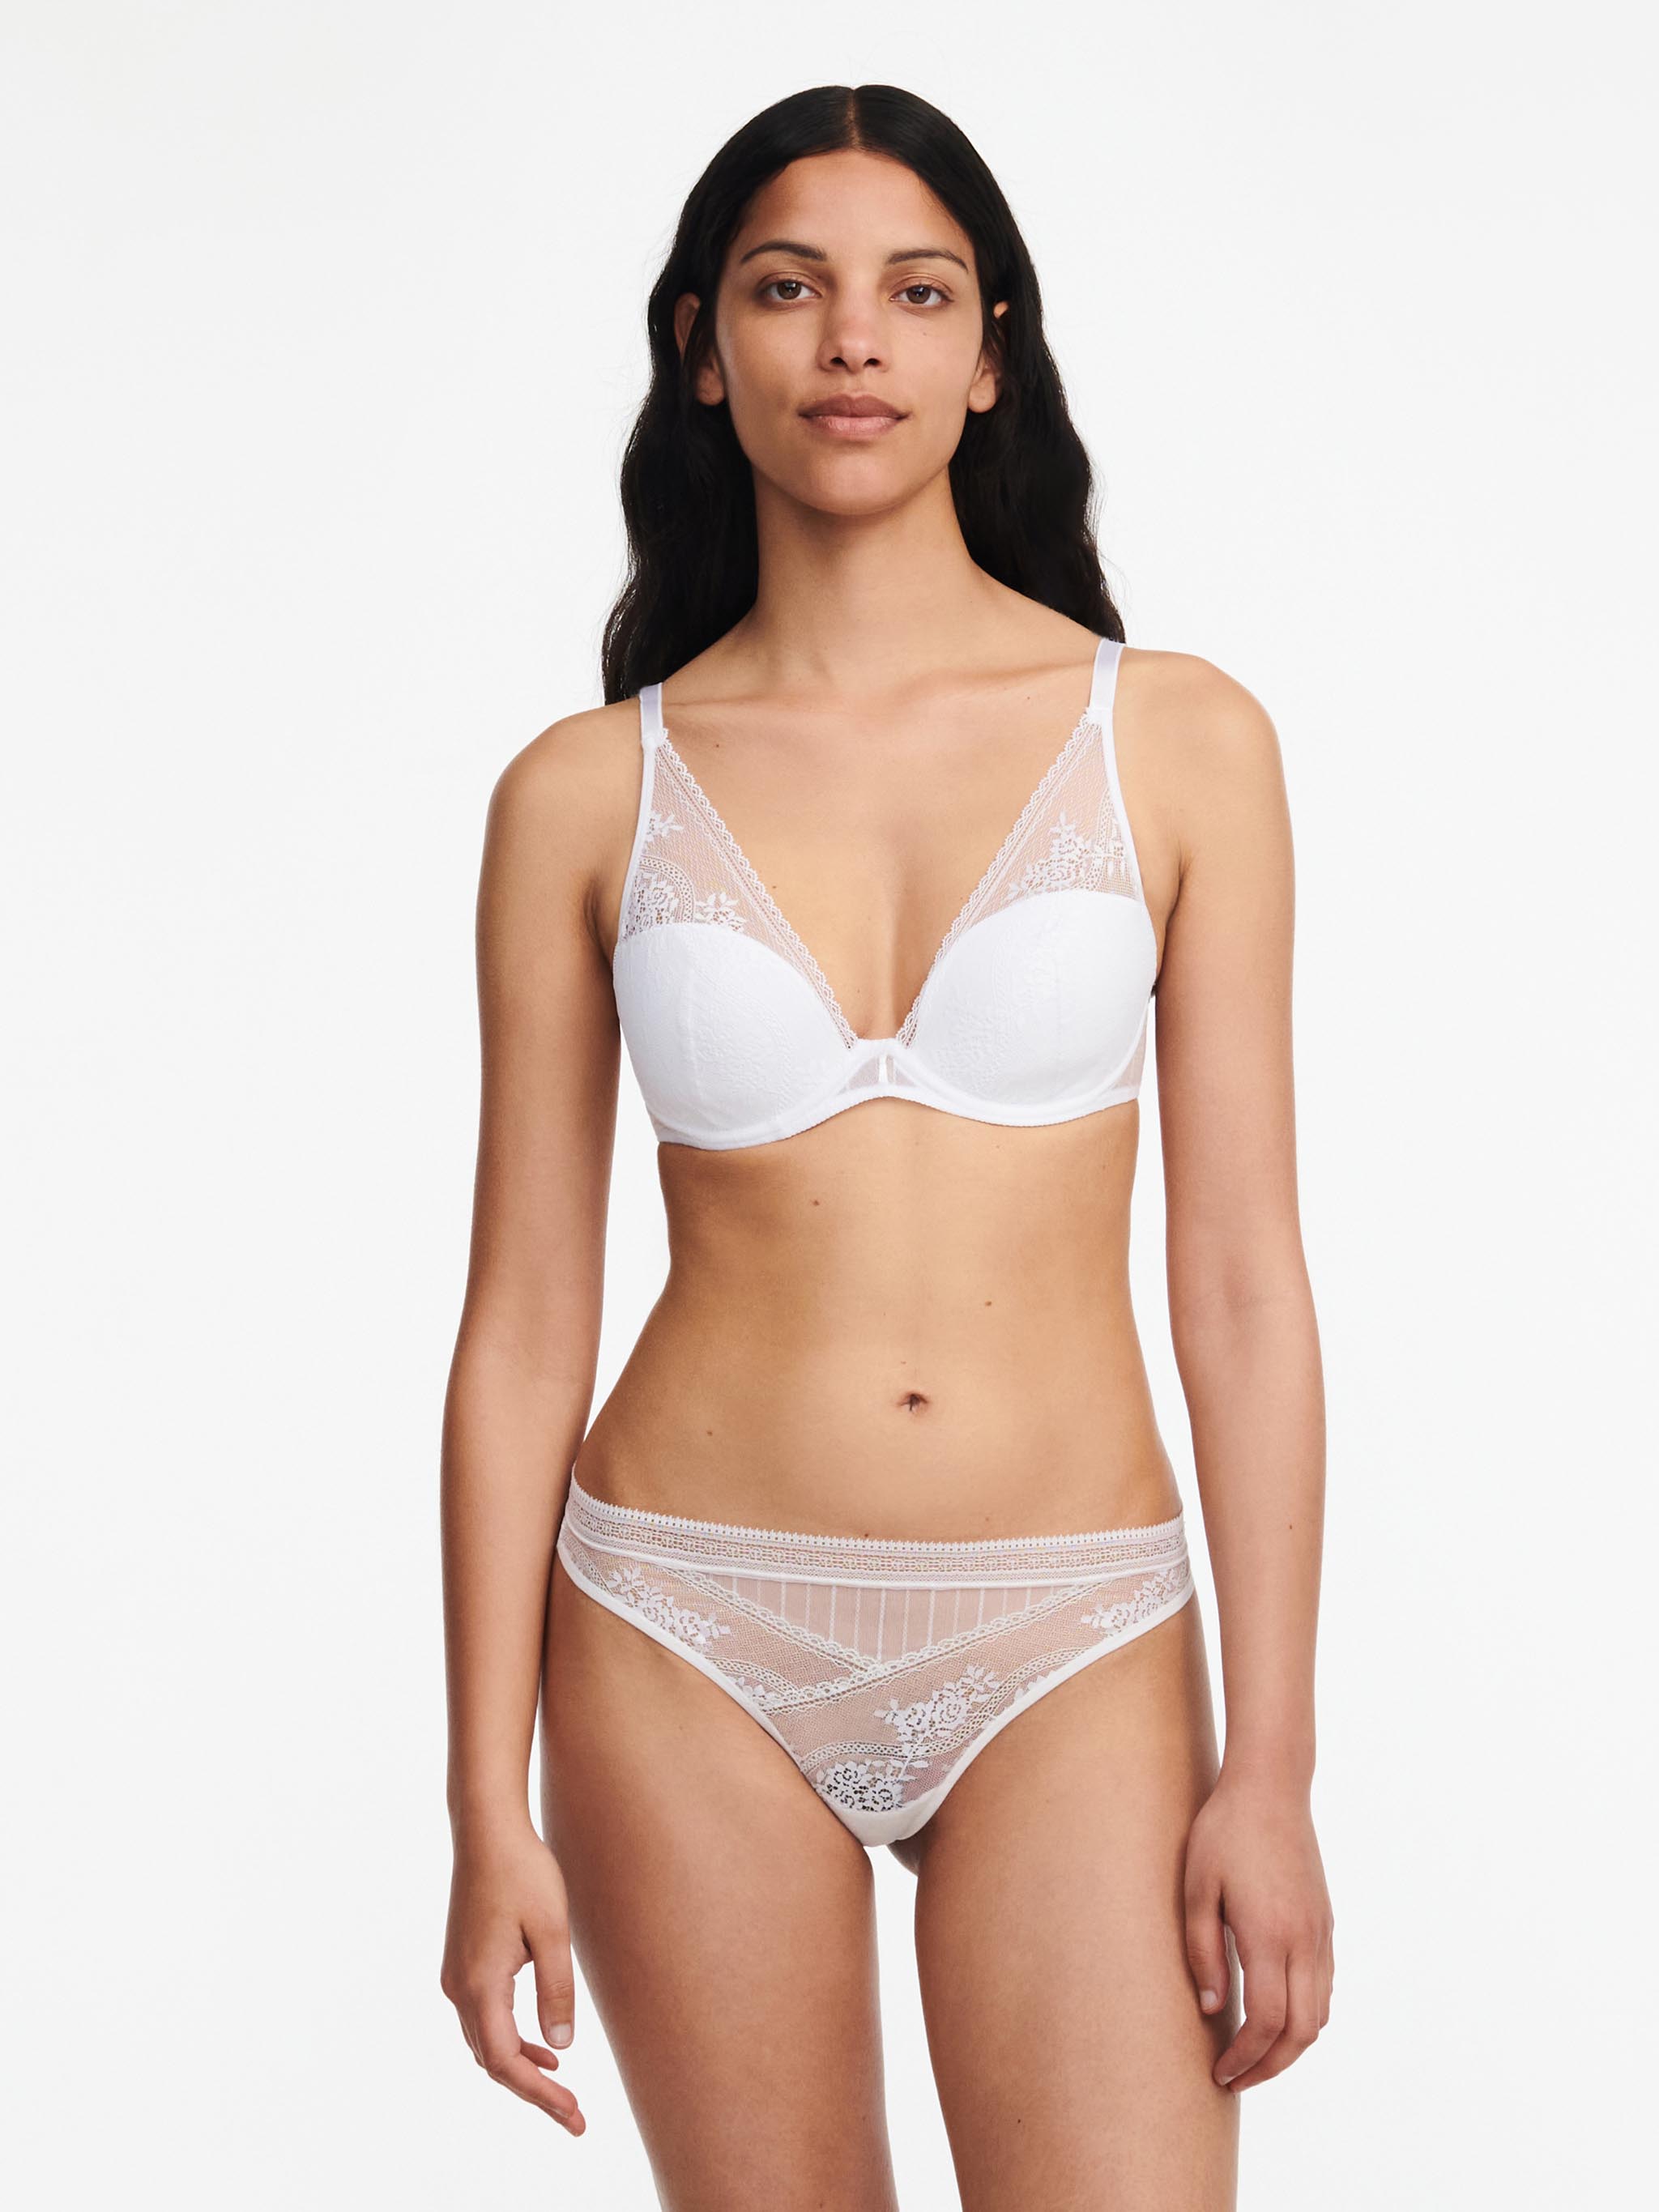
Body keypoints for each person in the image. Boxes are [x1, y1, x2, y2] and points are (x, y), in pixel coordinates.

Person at [439, 81, 1333, 2210]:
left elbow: (1240, 1285)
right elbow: (523, 1321)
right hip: (679, 1624)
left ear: (990, 354)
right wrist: (483, 1800)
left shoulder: (1175, 739)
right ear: (701, 346)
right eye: (789, 288)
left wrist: (1274, 1766)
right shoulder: (584, 793)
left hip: (1074, 1630)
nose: (854, 339)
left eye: (918, 293)